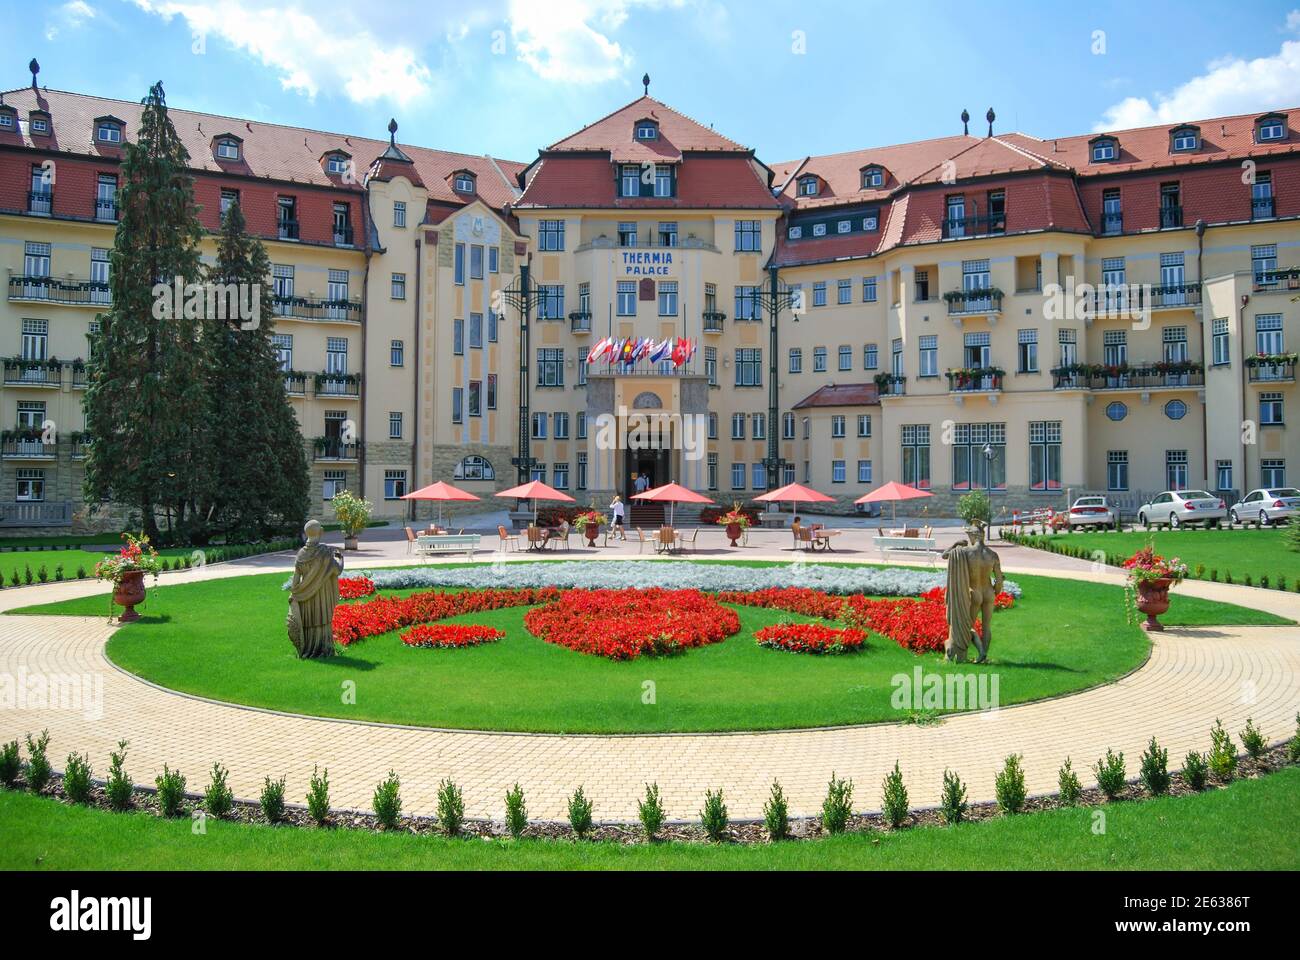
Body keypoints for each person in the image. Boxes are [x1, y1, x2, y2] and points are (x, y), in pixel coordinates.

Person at [286, 520, 344, 659]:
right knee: (322, 619)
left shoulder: (300, 554)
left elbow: (296, 579)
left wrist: (295, 592)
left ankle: (308, 649)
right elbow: (337, 570)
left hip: (306, 597)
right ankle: (324, 649)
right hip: (322, 594)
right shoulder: (325, 552)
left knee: (310, 620)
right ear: (321, 532)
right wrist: (340, 558)